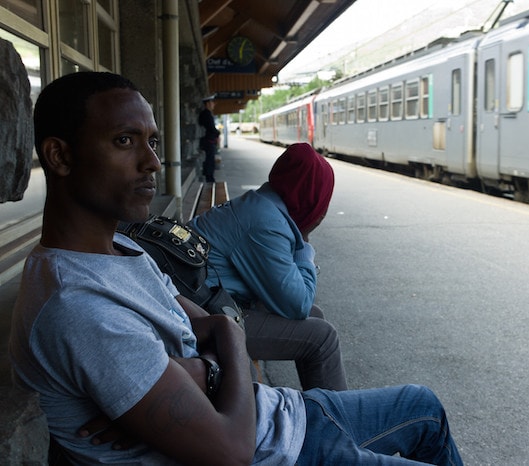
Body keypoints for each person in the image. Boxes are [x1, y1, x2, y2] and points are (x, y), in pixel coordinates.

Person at [9, 71, 463, 465]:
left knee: (425, 405)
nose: (151, 162)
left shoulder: (123, 247)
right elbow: (230, 450)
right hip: (281, 452)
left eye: (152, 141)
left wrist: (204, 362)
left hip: (280, 415)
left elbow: (205, 324)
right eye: (124, 140)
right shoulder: (78, 306)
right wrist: (225, 341)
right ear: (60, 156)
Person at [188, 142, 347, 391]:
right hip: (203, 320)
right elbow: (297, 305)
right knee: (322, 339)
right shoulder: (266, 223)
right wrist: (303, 242)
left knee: (316, 317)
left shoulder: (261, 205)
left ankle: (319, 409)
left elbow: (296, 301)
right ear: (312, 198)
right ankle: (336, 425)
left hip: (208, 303)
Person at [198, 94, 219, 182]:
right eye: (212, 102)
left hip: (207, 140)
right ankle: (209, 177)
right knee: (210, 160)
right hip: (209, 141)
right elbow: (211, 128)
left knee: (209, 159)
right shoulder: (207, 114)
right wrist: (218, 133)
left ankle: (209, 175)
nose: (213, 104)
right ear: (207, 104)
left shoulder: (205, 114)